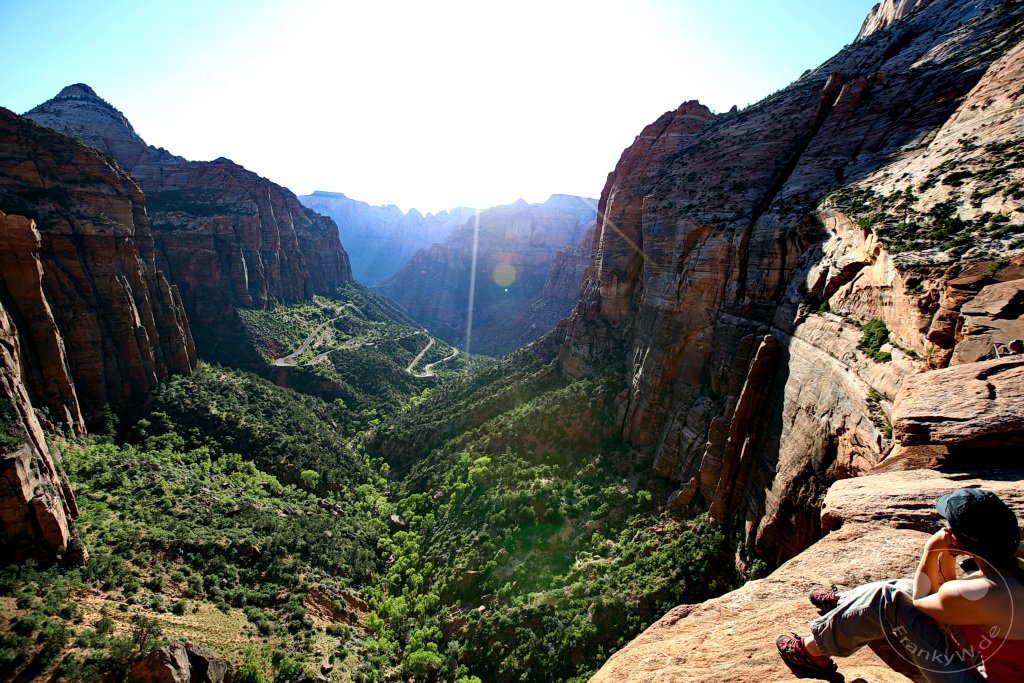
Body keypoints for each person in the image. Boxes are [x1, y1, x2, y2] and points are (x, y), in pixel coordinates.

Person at [776, 488, 1024, 682]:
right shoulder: (1012, 574)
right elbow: (949, 596)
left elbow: (922, 600)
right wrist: (951, 552)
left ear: (958, 538)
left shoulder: (985, 591)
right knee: (905, 589)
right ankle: (852, 604)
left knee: (891, 599)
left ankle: (810, 652)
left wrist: (933, 549)